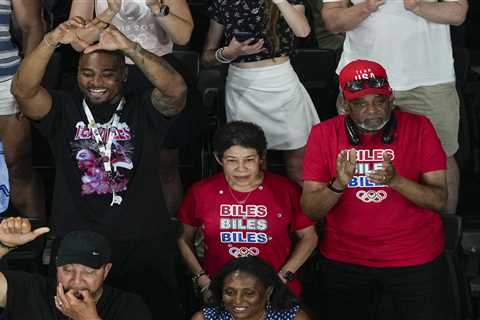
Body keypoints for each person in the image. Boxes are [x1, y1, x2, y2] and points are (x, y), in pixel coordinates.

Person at [11, 18, 187, 318]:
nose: (96, 82)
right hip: (77, 245)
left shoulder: (143, 108)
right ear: (76, 74)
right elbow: (23, 91)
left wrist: (130, 47)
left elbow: (175, 91)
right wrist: (51, 40)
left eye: (107, 74)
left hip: (142, 240)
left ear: (124, 76)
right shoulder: (64, 109)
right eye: (87, 73)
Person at [301, 59, 449, 319]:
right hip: (345, 259)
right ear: (344, 105)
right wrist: (338, 185)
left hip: (414, 257)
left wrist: (397, 181)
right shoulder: (323, 134)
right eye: (360, 103)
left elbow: (439, 200)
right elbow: (311, 211)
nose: (372, 111)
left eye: (379, 101)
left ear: (391, 100)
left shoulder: (419, 126)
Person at [322, 0, 468, 214]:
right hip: (364, 78)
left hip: (430, 79)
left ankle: (445, 232)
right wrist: (368, 5)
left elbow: (457, 13)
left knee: (441, 156)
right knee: (357, 157)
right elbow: (332, 21)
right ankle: (362, 228)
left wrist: (417, 6)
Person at [69, 0, 194, 215]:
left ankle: (171, 231)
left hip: (156, 73)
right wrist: (111, 11)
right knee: (107, 159)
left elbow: (183, 36)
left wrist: (157, 8)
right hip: (107, 76)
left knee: (165, 162)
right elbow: (77, 42)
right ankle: (108, 223)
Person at [177, 121, 318, 298]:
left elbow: (309, 237)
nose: (241, 169)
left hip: (276, 291)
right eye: (231, 160)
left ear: (262, 157)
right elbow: (183, 238)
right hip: (221, 293)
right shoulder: (201, 192)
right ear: (219, 159)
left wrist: (283, 277)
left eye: (249, 160)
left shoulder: (286, 190)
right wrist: (203, 280)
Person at [200, 0, 320, 184]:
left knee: (298, 165)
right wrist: (230, 52)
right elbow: (207, 57)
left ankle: (306, 211)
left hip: (281, 82)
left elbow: (302, 31)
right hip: (242, 87)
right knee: (251, 163)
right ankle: (262, 210)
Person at [0, 217, 151, 319]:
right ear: (56, 265)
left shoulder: (128, 307)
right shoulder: (33, 291)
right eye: (68, 269)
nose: (77, 281)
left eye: (89, 272)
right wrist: (3, 246)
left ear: (106, 271)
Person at [0, 0, 45, 221]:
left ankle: (37, 242)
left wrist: (25, 83)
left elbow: (32, 26)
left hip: (6, 80)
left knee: (18, 165)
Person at [191, 256, 311, 320]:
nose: (237, 301)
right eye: (229, 292)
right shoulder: (205, 318)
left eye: (249, 293)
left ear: (268, 292)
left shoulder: (292, 318)